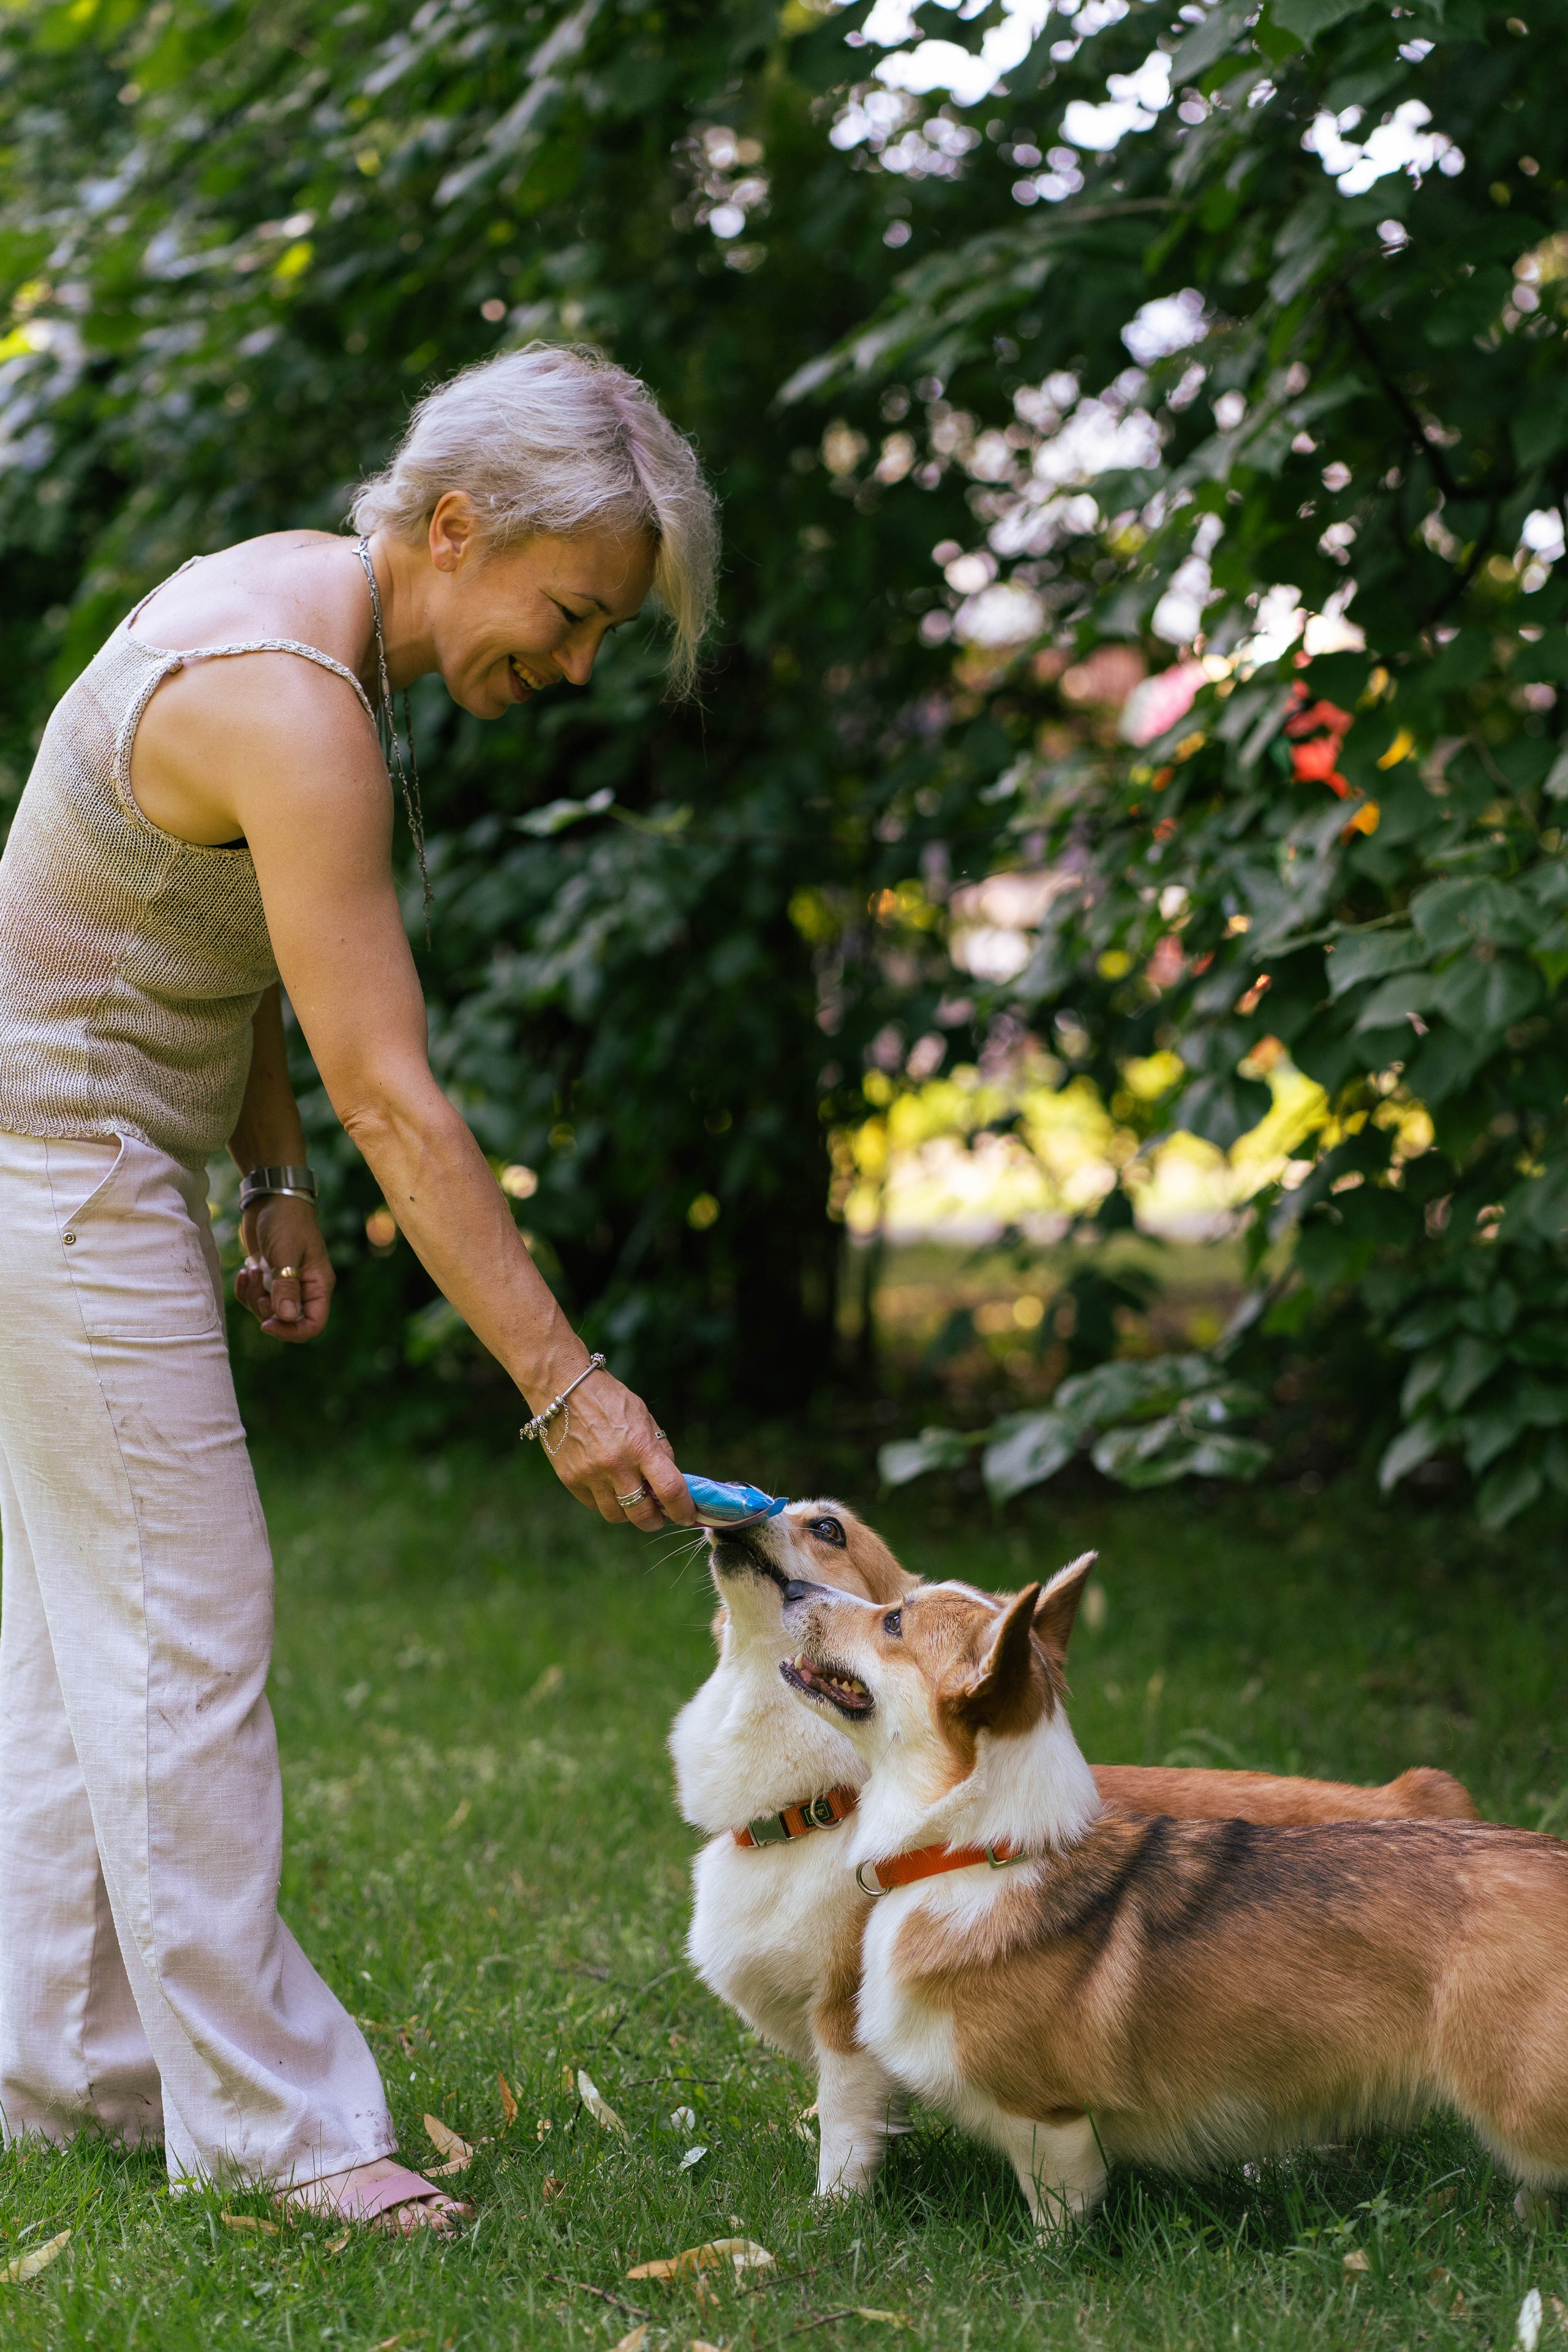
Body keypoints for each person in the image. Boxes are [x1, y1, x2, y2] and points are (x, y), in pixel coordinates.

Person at [0, 344, 713, 2230]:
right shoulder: (293, 696)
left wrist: (270, 1174)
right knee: (180, 1625)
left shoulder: (288, 604)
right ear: (460, 528)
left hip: (77, 1149)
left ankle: (64, 2071)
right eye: (568, 616)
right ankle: (279, 2130)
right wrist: (567, 1385)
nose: (568, 667)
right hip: (48, 1164)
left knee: (89, 1651)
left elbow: (207, 923)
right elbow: (403, 1096)